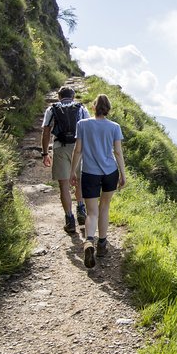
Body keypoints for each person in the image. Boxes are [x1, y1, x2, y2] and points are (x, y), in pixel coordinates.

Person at [69, 93, 126, 269]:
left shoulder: (82, 124)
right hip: (110, 172)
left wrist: (72, 171)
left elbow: (78, 150)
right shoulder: (114, 127)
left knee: (92, 212)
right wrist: (123, 174)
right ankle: (102, 244)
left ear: (94, 107)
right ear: (108, 109)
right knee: (104, 207)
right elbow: (118, 152)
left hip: (89, 173)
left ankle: (89, 242)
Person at [41, 86, 88, 233]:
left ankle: (69, 220)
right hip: (79, 148)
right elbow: (88, 129)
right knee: (79, 181)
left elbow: (46, 132)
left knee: (64, 185)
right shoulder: (81, 108)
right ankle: (81, 208)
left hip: (60, 147)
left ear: (59, 96)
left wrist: (45, 153)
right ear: (73, 96)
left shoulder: (52, 109)